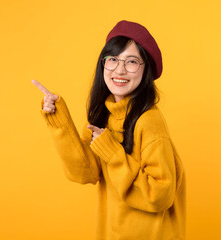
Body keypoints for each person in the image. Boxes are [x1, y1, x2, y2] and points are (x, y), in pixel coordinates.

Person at [32, 20, 185, 240]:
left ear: (145, 70)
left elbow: (160, 195)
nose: (119, 70)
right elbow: (86, 172)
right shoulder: (103, 114)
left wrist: (113, 154)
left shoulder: (149, 121)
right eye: (113, 59)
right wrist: (59, 120)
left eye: (132, 61)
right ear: (103, 64)